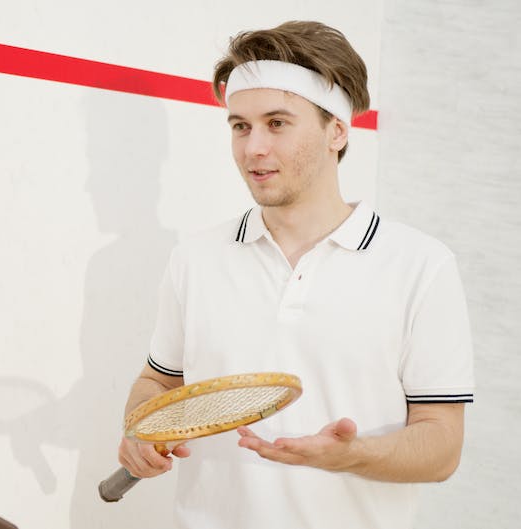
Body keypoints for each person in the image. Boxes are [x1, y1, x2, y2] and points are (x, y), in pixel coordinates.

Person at [116, 21, 474, 529]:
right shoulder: (194, 259)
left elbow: (442, 446)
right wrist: (140, 430)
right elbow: (157, 381)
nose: (252, 148)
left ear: (338, 131)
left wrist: (349, 455)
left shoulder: (421, 265)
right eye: (240, 126)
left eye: (277, 123)